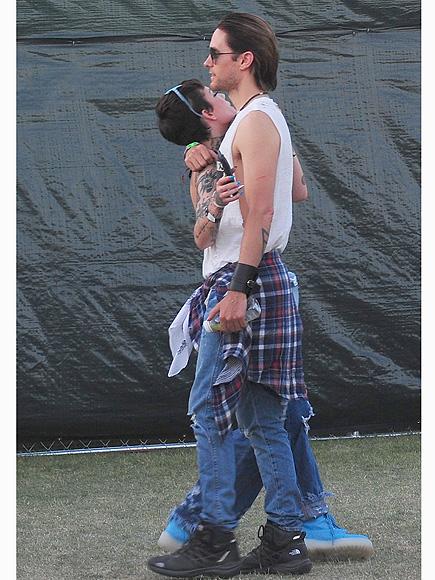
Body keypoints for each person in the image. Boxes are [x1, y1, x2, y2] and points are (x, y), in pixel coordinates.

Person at [148, 13, 364, 578]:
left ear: (243, 60)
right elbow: (221, 224)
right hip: (246, 278)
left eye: (215, 54)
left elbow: (266, 212)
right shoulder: (250, 125)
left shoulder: (257, 120)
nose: (208, 64)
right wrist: (211, 170)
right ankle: (286, 538)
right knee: (266, 418)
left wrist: (239, 290)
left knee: (210, 411)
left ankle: (215, 534)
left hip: (246, 281)